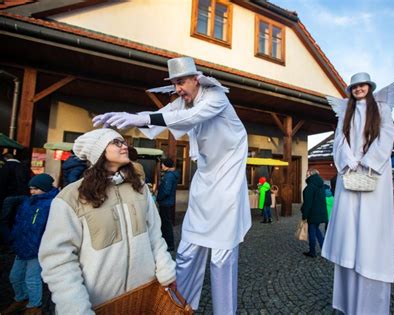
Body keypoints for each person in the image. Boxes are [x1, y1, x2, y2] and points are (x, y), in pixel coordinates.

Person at [92, 56, 251, 314]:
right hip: (204, 181)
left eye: (180, 82)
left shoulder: (216, 97)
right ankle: (181, 308)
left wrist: (141, 120)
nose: (177, 89)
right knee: (188, 250)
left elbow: (190, 118)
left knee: (222, 259)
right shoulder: (183, 103)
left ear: (196, 79)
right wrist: (130, 117)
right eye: (174, 83)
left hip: (228, 182)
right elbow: (162, 117)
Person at [38, 129, 176, 314]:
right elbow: (58, 259)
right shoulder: (71, 197)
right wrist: (76, 308)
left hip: (144, 296)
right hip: (99, 303)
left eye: (123, 142)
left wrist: (166, 273)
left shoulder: (140, 188)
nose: (124, 146)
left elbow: (154, 235)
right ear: (99, 151)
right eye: (116, 143)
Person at [322, 72, 394, 314]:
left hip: (373, 175)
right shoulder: (345, 112)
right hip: (350, 173)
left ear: (369, 87)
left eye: (362, 85)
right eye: (354, 86)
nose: (358, 89)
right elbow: (338, 140)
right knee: (349, 232)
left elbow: (387, 134)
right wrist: (349, 159)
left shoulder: (382, 109)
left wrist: (367, 160)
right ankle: (348, 299)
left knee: (370, 231)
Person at [2, 173, 59, 315]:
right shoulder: (28, 202)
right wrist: (14, 238)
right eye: (31, 188)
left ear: (45, 188)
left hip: (36, 248)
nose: (32, 191)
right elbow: (18, 221)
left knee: (32, 279)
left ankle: (35, 305)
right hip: (21, 246)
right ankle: (21, 298)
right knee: (14, 276)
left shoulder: (52, 204)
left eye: (35, 189)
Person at [301, 169, 327, 258]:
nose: (306, 175)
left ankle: (312, 251)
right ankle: (324, 249)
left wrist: (304, 215)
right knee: (317, 231)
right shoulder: (321, 185)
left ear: (311, 175)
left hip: (313, 214)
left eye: (307, 174)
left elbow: (307, 204)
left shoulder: (310, 187)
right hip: (320, 213)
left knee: (312, 232)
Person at [157, 158, 179, 251]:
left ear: (166, 165)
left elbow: (166, 190)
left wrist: (159, 198)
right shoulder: (171, 174)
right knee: (166, 223)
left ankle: (170, 245)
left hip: (166, 202)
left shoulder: (169, 176)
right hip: (168, 202)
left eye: (162, 164)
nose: (161, 166)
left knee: (166, 224)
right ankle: (167, 243)